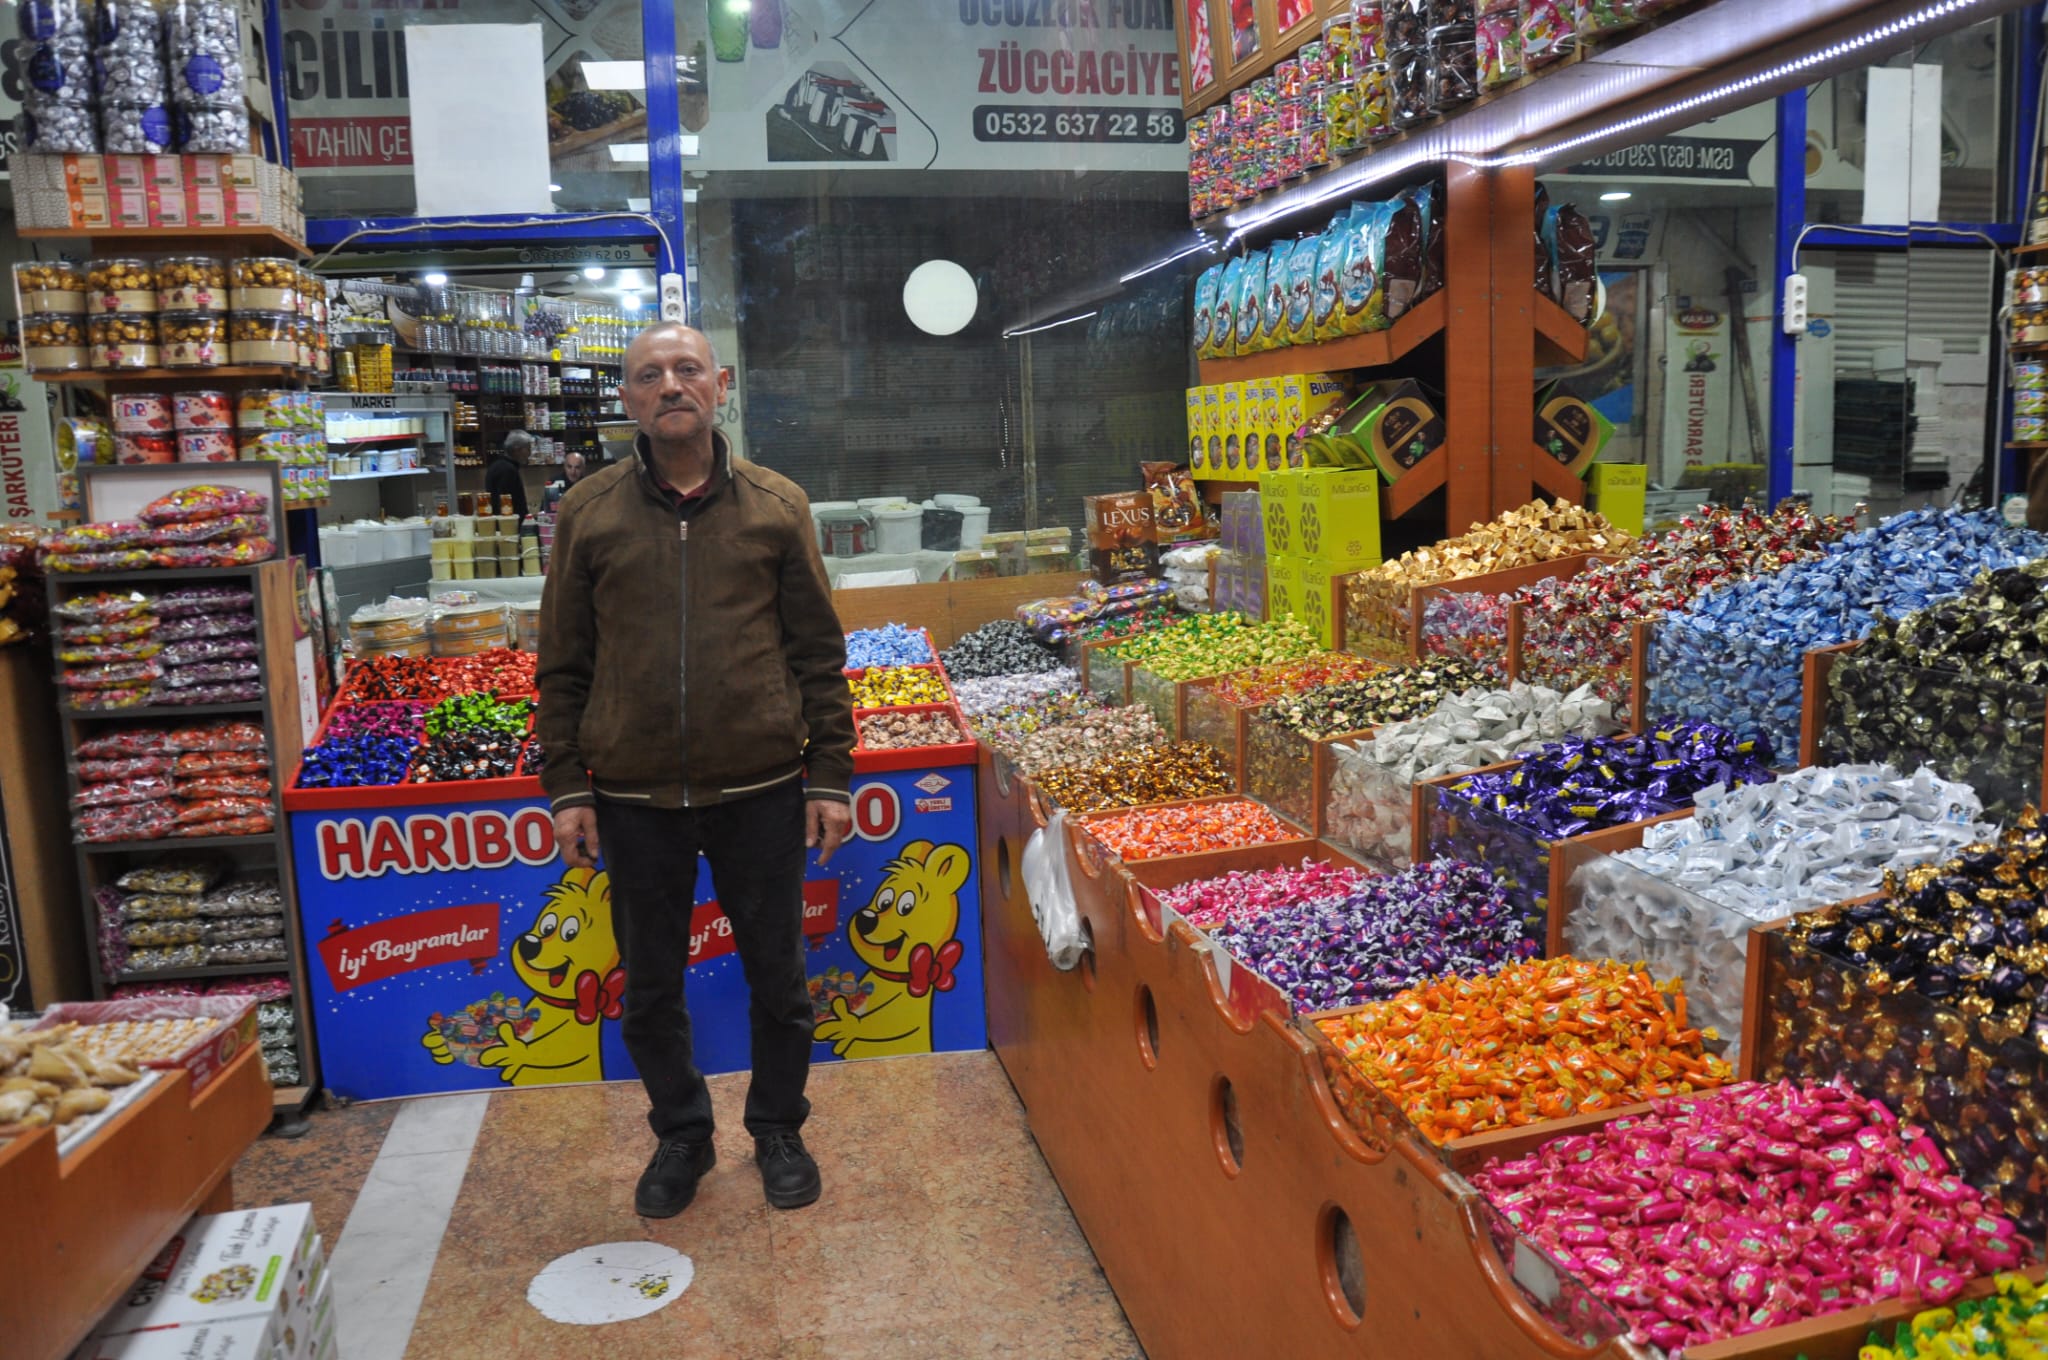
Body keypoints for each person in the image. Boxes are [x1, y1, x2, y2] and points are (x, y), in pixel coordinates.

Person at [535, 322, 854, 1219]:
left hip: (761, 788)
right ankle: (682, 1134)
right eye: (649, 375)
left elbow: (817, 654)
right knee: (650, 991)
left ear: (719, 385)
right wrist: (566, 786)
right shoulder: (590, 513)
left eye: (686, 370)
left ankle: (778, 1126)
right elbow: (561, 665)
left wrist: (828, 772)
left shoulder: (775, 504)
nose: (670, 385)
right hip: (632, 798)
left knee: (780, 980)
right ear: (629, 400)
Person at [485, 430, 532, 521]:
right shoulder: (508, 470)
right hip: (509, 525)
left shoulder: (496, 465)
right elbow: (505, 503)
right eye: (528, 449)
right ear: (517, 449)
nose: (529, 453)